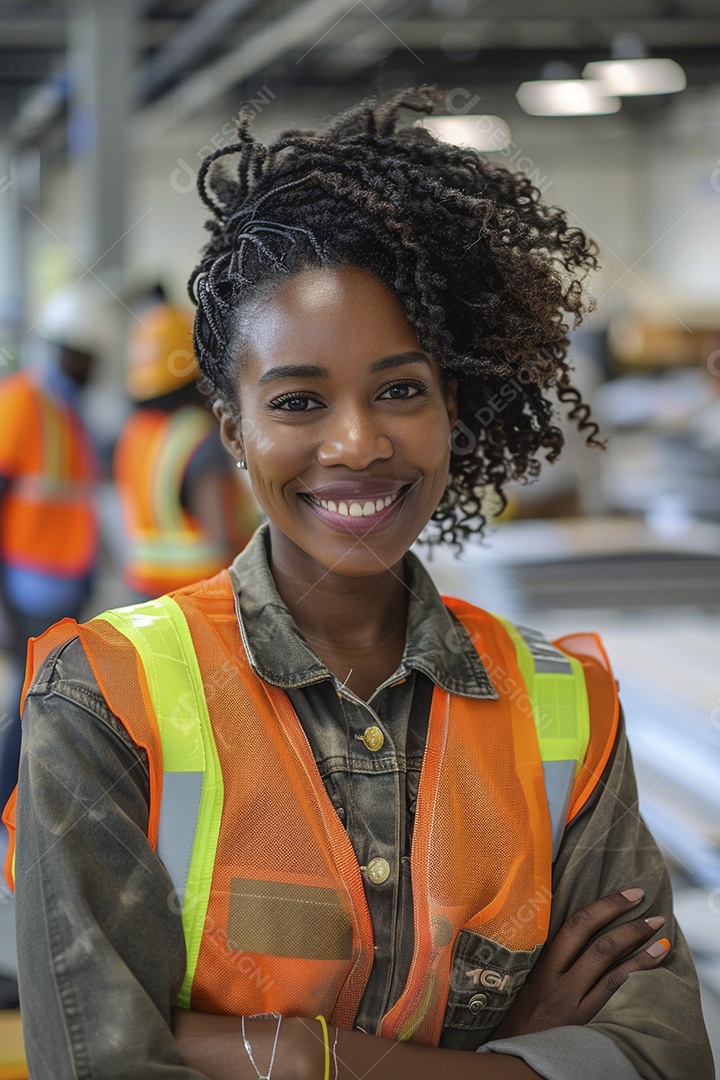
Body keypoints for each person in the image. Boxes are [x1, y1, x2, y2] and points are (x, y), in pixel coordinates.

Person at [3, 88, 714, 1080]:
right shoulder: (103, 704)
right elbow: (101, 1063)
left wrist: (299, 1057)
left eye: (400, 390)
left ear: (452, 407)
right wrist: (517, 1056)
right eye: (299, 400)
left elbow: (663, 1058)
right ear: (233, 429)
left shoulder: (565, 708)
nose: (356, 442)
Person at [0, 288, 100, 818]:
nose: (92, 368)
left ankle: (26, 811)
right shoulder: (22, 400)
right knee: (31, 703)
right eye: (86, 356)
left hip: (64, 580)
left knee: (44, 700)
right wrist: (4, 608)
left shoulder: (65, 407)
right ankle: (8, 811)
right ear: (64, 351)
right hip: (28, 586)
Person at [113, 287, 258, 599]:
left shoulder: (136, 431)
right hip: (198, 596)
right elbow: (223, 533)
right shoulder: (197, 435)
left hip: (143, 594)